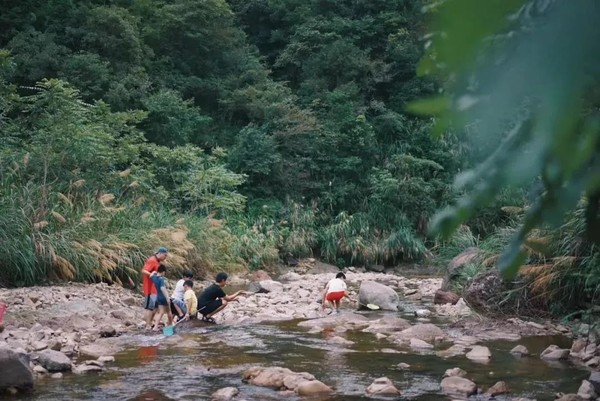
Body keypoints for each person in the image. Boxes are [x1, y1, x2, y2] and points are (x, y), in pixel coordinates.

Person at [141, 247, 168, 330]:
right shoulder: (152, 260)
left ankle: (150, 322)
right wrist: (152, 275)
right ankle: (148, 325)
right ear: (159, 253)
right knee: (150, 307)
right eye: (165, 255)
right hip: (150, 288)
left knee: (153, 307)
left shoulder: (157, 261)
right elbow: (144, 270)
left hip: (154, 288)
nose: (165, 257)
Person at [150, 264, 173, 331]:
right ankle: (171, 324)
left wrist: (154, 272)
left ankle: (155, 327)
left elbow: (150, 275)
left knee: (161, 312)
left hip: (158, 296)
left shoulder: (154, 277)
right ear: (163, 272)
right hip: (163, 297)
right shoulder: (161, 279)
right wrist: (167, 298)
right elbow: (162, 288)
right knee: (169, 311)